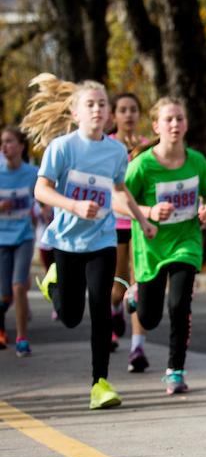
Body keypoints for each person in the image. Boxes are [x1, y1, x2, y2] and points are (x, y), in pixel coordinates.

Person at [23, 74, 155, 410]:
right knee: (69, 316)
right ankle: (54, 285)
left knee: (100, 308)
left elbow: (118, 192)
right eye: (90, 104)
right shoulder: (62, 148)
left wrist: (142, 220)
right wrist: (73, 205)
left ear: (108, 113)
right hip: (66, 241)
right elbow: (41, 190)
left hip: (102, 240)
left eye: (102, 104)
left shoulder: (115, 151)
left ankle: (100, 383)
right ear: (76, 112)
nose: (97, 109)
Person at [125, 97, 206, 396]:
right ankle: (137, 293)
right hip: (151, 248)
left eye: (179, 118)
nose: (175, 124)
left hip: (186, 242)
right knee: (149, 318)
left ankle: (175, 369)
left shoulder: (197, 162)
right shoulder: (142, 165)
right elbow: (119, 202)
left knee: (179, 304)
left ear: (186, 124)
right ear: (156, 126)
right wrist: (149, 213)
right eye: (168, 119)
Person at [108, 92, 151, 371]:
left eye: (133, 109)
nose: (129, 115)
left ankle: (137, 348)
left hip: (139, 222)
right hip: (113, 223)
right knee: (117, 288)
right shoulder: (106, 146)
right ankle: (114, 312)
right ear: (114, 115)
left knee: (138, 287)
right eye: (123, 110)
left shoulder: (149, 146)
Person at [0, 127, 38, 356]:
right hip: (2, 238)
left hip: (24, 235)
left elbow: (42, 195)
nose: (5, 146)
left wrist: (42, 211)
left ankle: (22, 337)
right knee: (6, 294)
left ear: (21, 146)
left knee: (18, 287)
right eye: (2, 142)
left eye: (10, 141)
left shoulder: (32, 173)